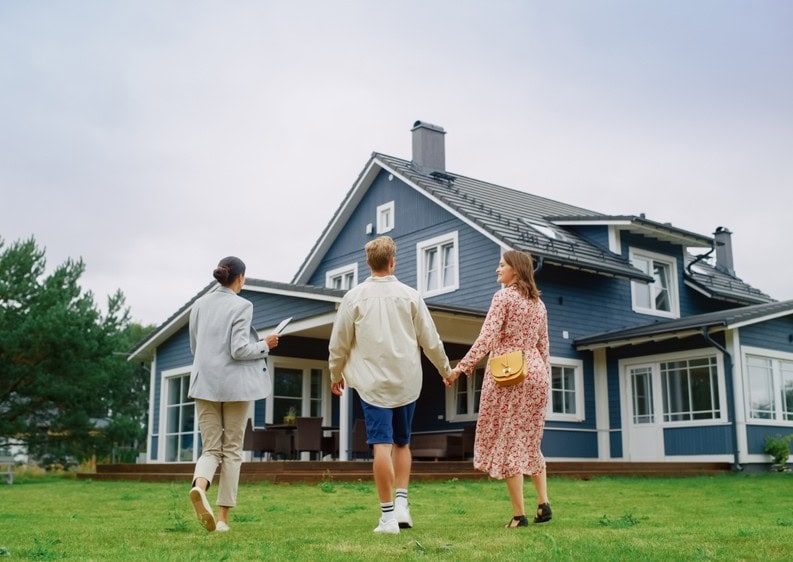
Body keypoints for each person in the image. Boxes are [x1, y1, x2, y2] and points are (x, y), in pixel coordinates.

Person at [329, 236, 451, 534]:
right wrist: (445, 370)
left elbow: (339, 344)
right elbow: (430, 340)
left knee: (381, 446)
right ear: (393, 262)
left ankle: (387, 519)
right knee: (402, 443)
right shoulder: (411, 295)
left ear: (368, 264)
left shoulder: (354, 297)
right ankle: (401, 504)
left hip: (373, 385)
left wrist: (335, 375)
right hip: (406, 381)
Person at [446, 250, 552, 527]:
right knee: (529, 440)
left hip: (510, 373)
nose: (497, 270)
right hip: (537, 372)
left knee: (509, 442)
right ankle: (543, 503)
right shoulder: (539, 304)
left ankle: (519, 515)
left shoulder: (504, 297)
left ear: (514, 271)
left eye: (501, 265)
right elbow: (544, 347)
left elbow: (487, 337)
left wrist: (462, 367)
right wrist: (545, 379)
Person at [187, 256, 280, 532]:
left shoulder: (198, 305)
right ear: (240, 278)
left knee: (211, 448)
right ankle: (223, 520)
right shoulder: (242, 305)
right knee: (232, 451)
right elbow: (239, 349)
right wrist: (266, 344)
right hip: (235, 388)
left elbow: (196, 348)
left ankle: (200, 488)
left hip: (204, 384)